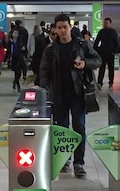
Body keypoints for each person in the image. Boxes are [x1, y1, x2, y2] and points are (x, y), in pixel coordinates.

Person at [38, 14, 101, 179]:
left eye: (65, 27)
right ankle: (64, 159)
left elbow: (97, 60)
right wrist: (47, 90)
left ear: (70, 27)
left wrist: (85, 64)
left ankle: (78, 162)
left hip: (78, 94)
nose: (62, 31)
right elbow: (43, 72)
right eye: (59, 28)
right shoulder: (50, 49)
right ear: (55, 30)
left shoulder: (81, 45)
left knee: (79, 127)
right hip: (58, 95)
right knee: (62, 129)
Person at [94, 17, 120, 89]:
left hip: (110, 53)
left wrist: (115, 51)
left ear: (110, 24)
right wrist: (96, 50)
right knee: (101, 68)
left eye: (107, 23)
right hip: (103, 52)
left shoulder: (113, 32)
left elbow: (117, 42)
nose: (105, 24)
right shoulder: (101, 32)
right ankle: (99, 82)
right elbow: (97, 41)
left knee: (111, 68)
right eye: (104, 23)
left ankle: (111, 82)